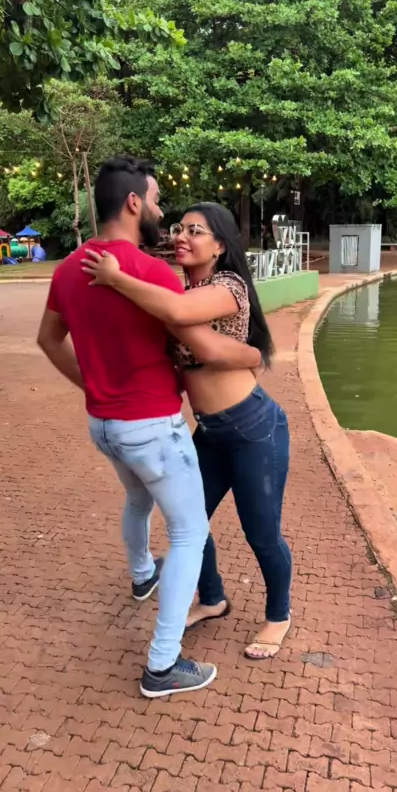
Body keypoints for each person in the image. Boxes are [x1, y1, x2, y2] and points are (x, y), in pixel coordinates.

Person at [37, 158, 262, 697]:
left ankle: (143, 575)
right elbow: (203, 346)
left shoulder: (67, 270)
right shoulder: (153, 274)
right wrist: (255, 355)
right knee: (189, 533)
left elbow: (48, 340)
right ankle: (163, 664)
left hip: (104, 425)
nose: (162, 211)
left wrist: (93, 385)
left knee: (138, 498)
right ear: (134, 202)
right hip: (152, 428)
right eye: (157, 199)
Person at [81, 202, 292, 660]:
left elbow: (180, 317)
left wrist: (116, 278)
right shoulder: (181, 290)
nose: (182, 236)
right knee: (189, 523)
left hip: (254, 428)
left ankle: (279, 615)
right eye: (180, 228)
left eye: (196, 231)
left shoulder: (228, 286)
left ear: (219, 246)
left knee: (262, 533)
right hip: (210, 432)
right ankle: (212, 598)